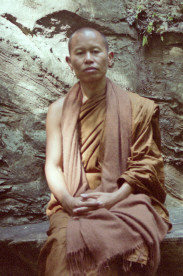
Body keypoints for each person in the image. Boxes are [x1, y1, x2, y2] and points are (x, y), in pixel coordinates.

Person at [38, 27, 171, 276]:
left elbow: (145, 165)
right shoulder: (57, 111)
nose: (89, 58)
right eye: (80, 53)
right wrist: (68, 201)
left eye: (95, 51)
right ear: (70, 62)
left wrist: (112, 198)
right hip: (75, 203)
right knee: (64, 245)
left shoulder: (137, 107)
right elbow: (53, 165)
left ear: (109, 58)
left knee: (125, 240)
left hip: (124, 200)